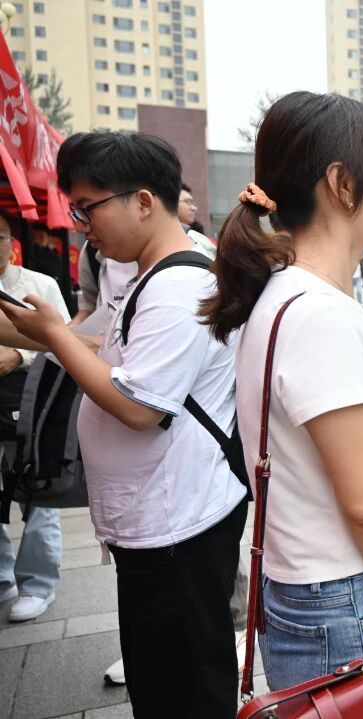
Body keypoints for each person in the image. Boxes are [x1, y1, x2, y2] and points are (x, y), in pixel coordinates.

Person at [199, 91, 363, 692]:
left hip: (319, 590)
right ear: (342, 184)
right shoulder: (317, 313)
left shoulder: (292, 296)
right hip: (341, 599)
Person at [0, 130, 250, 717]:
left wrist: (55, 333)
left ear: (142, 201)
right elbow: (96, 349)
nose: (81, 225)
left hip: (180, 526)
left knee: (184, 690)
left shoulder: (181, 285)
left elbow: (140, 407)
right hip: (159, 521)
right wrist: (45, 333)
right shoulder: (148, 276)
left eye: (88, 208)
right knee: (159, 679)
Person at [0, 212, 71, 624]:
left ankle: (37, 583)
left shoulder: (39, 285)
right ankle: (3, 578)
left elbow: (66, 341)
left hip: (28, 402)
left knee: (37, 493)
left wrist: (19, 354)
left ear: (11, 241)